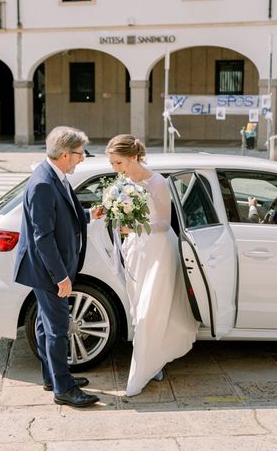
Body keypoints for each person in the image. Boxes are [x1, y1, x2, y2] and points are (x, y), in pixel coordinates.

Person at [101, 134, 199, 397]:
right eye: (112, 163)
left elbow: (165, 223)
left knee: (149, 311)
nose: (114, 168)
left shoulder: (158, 183)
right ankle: (153, 359)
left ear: (134, 157)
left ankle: (141, 372)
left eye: (118, 162)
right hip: (135, 251)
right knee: (137, 309)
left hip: (158, 252)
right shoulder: (122, 182)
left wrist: (132, 226)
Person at [13, 125, 101, 408]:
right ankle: (64, 389)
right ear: (65, 154)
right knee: (58, 328)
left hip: (48, 269)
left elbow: (60, 217)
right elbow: (43, 236)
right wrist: (61, 277)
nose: (82, 159)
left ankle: (52, 377)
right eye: (79, 154)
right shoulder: (42, 183)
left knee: (44, 324)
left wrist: (89, 215)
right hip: (48, 271)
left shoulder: (54, 176)